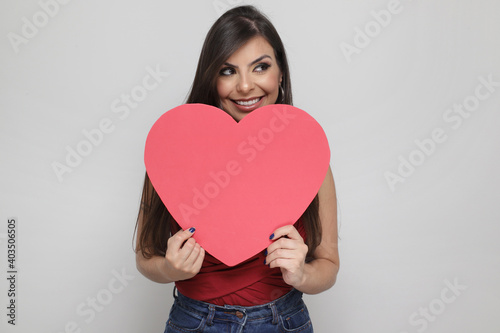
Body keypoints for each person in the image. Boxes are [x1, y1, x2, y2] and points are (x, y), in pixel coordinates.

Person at [135, 5, 339, 332]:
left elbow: (328, 265)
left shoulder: (308, 157)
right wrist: (171, 269)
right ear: (211, 77)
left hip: (283, 320)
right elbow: (145, 258)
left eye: (260, 67)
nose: (245, 87)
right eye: (228, 71)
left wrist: (302, 274)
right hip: (193, 320)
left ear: (281, 73)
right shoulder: (171, 149)